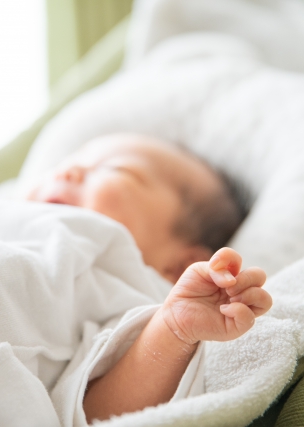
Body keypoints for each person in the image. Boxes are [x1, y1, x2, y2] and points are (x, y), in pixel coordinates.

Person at [26, 133, 271, 423]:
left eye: (116, 170)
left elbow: (91, 415)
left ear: (181, 265)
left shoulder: (124, 290)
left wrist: (172, 328)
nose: (69, 171)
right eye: (71, 160)